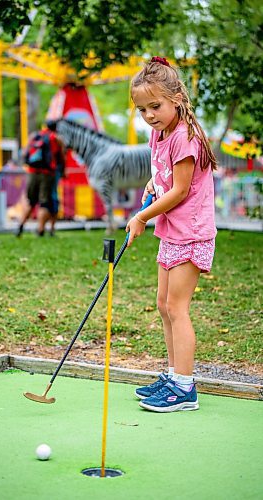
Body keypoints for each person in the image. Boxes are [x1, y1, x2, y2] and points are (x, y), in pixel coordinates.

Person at [126, 56, 217, 413]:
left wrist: (141, 217)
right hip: (173, 231)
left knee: (178, 308)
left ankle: (185, 387)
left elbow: (180, 191)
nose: (149, 115)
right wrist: (152, 181)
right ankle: (173, 374)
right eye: (141, 109)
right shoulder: (159, 132)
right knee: (164, 306)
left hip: (191, 234)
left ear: (176, 99)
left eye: (155, 106)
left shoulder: (184, 137)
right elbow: (165, 177)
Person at [16, 120, 65, 237]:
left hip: (32, 172)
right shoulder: (56, 138)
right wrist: (62, 171)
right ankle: (40, 229)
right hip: (47, 174)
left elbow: (24, 153)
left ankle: (20, 226)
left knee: (30, 201)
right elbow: (62, 158)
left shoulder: (34, 136)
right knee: (44, 202)